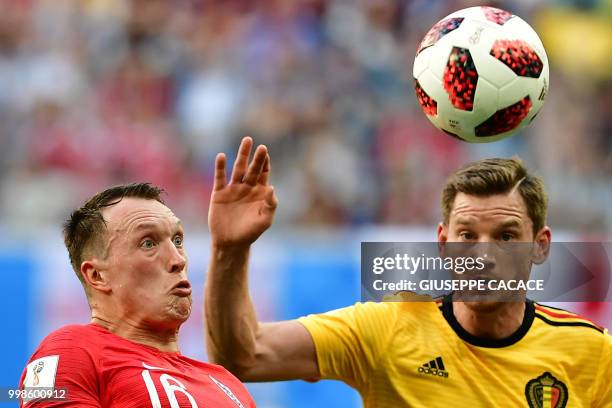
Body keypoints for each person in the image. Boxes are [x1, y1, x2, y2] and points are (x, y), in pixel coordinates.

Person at [205, 137, 612, 407]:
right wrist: (230, 249)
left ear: (540, 246)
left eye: (506, 237)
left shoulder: (592, 353)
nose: (484, 254)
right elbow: (243, 357)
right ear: (442, 242)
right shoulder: (386, 330)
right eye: (467, 234)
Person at [19, 183, 255, 407]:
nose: (178, 260)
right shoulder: (71, 352)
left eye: (178, 240)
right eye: (148, 243)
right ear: (97, 275)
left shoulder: (228, 384)